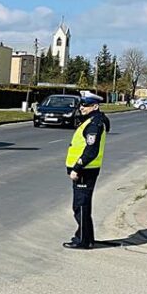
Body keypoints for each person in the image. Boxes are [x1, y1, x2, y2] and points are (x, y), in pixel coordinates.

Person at [63, 91, 109, 250]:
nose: (82, 108)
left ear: (95, 106)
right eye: (82, 104)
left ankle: (83, 240)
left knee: (80, 206)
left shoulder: (94, 124)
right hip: (86, 170)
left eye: (86, 105)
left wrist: (77, 167)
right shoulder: (92, 120)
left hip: (85, 170)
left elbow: (91, 150)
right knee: (83, 205)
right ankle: (86, 238)